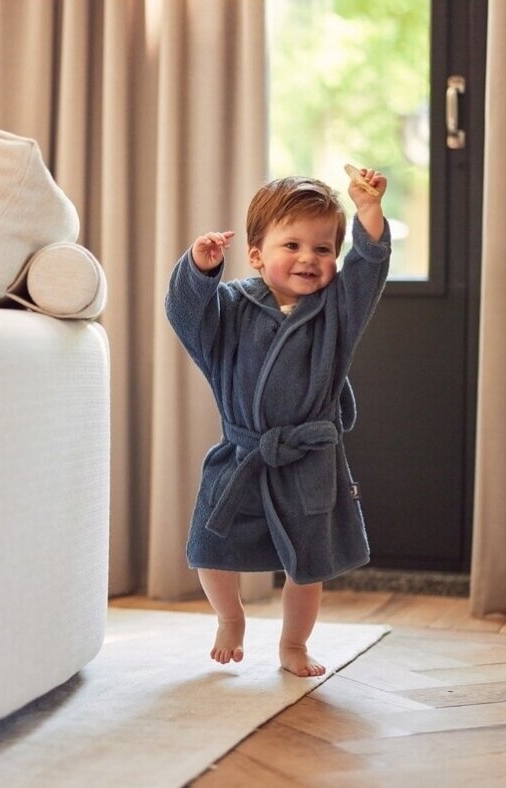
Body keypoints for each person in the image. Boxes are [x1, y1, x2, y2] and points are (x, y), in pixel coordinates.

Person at [164, 169, 391, 677]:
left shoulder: (336, 311)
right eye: (292, 245)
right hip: (241, 453)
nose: (309, 258)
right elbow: (184, 315)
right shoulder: (229, 308)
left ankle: (294, 644)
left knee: (306, 565)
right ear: (256, 254)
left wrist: (369, 213)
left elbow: (368, 271)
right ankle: (230, 617)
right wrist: (199, 270)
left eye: (323, 249)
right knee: (209, 548)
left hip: (308, 460)